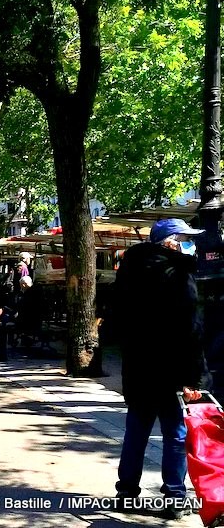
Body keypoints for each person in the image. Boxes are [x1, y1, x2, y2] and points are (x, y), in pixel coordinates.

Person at [113, 218, 211, 519]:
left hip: (140, 368)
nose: (189, 245)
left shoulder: (128, 272)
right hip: (171, 371)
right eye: (184, 239)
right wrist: (195, 377)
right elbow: (191, 329)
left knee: (136, 433)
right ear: (169, 242)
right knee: (176, 435)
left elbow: (117, 321)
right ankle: (175, 497)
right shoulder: (178, 273)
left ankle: (126, 493)